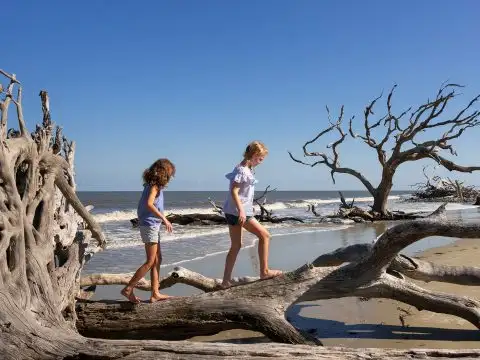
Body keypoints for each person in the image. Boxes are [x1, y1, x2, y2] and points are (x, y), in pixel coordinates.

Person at [222, 141, 282, 288]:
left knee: (236, 245)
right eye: (260, 159)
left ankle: (225, 281)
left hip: (232, 211)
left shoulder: (243, 168)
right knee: (265, 235)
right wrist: (242, 210)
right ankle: (265, 272)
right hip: (238, 212)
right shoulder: (242, 170)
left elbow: (242, 193)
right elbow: (234, 192)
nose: (261, 162)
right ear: (254, 155)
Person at [121, 158, 175, 303]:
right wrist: (164, 219)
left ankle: (155, 293)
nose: (170, 178)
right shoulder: (154, 187)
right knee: (150, 261)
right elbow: (149, 204)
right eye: (169, 175)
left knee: (158, 259)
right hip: (150, 225)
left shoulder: (152, 185)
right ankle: (128, 289)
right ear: (163, 174)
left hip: (152, 224)